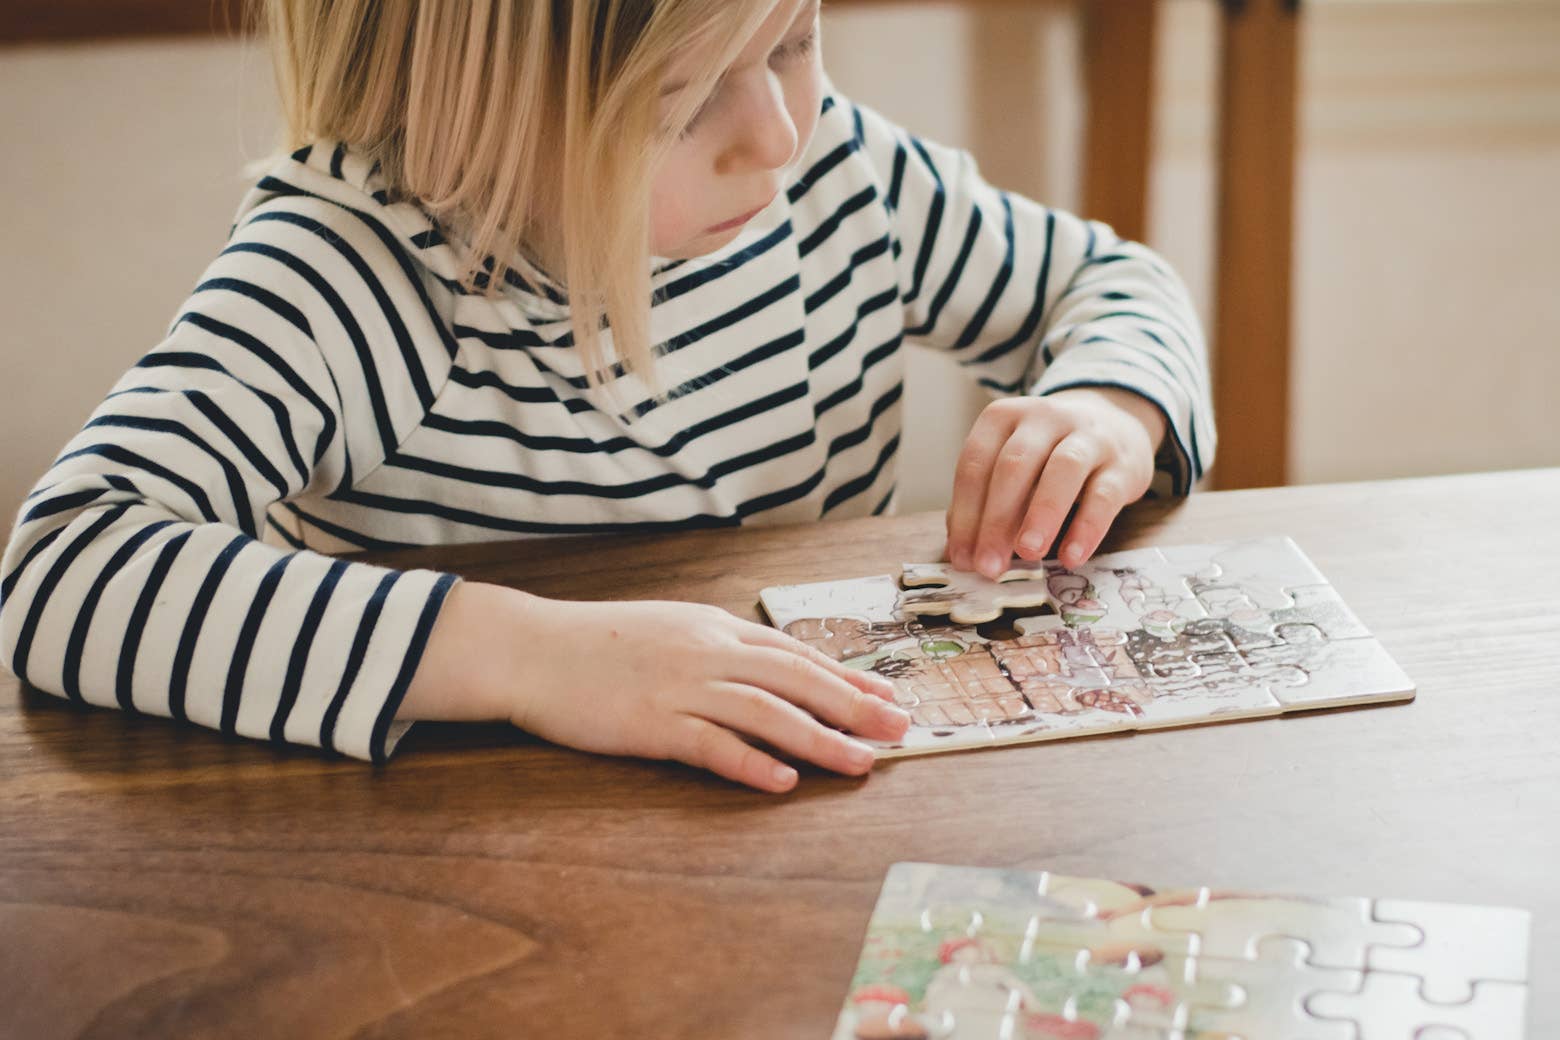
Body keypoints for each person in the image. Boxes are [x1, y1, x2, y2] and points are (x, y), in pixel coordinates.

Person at [0, 0, 1214, 792]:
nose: (777, 134)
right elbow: (65, 567)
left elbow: (1111, 282)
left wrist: (1110, 403)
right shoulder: (354, 269)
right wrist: (535, 656)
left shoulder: (841, 178)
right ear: (468, 112)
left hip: (815, 832)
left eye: (793, 39)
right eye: (682, 103)